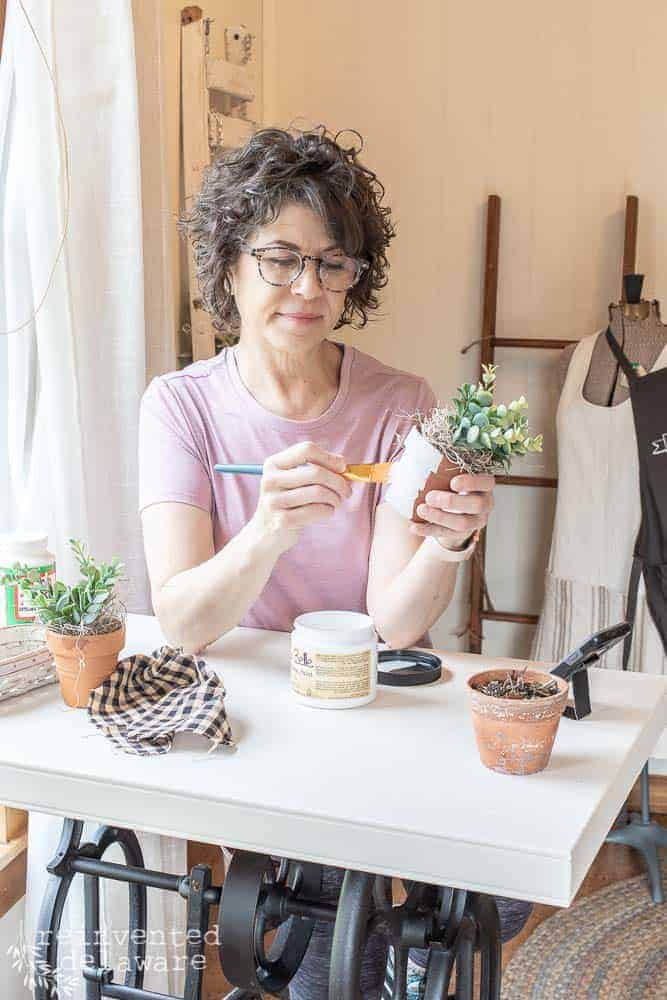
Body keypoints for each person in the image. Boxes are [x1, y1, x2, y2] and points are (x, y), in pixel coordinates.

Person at [138, 126, 529, 999]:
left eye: (333, 263)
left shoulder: (401, 404)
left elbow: (393, 621)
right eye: (279, 259)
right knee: (321, 945)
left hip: (372, 704)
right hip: (254, 720)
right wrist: (270, 529)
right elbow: (183, 621)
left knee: (501, 889)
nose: (307, 288)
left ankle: (395, 959)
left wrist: (448, 540)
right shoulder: (180, 409)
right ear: (228, 263)